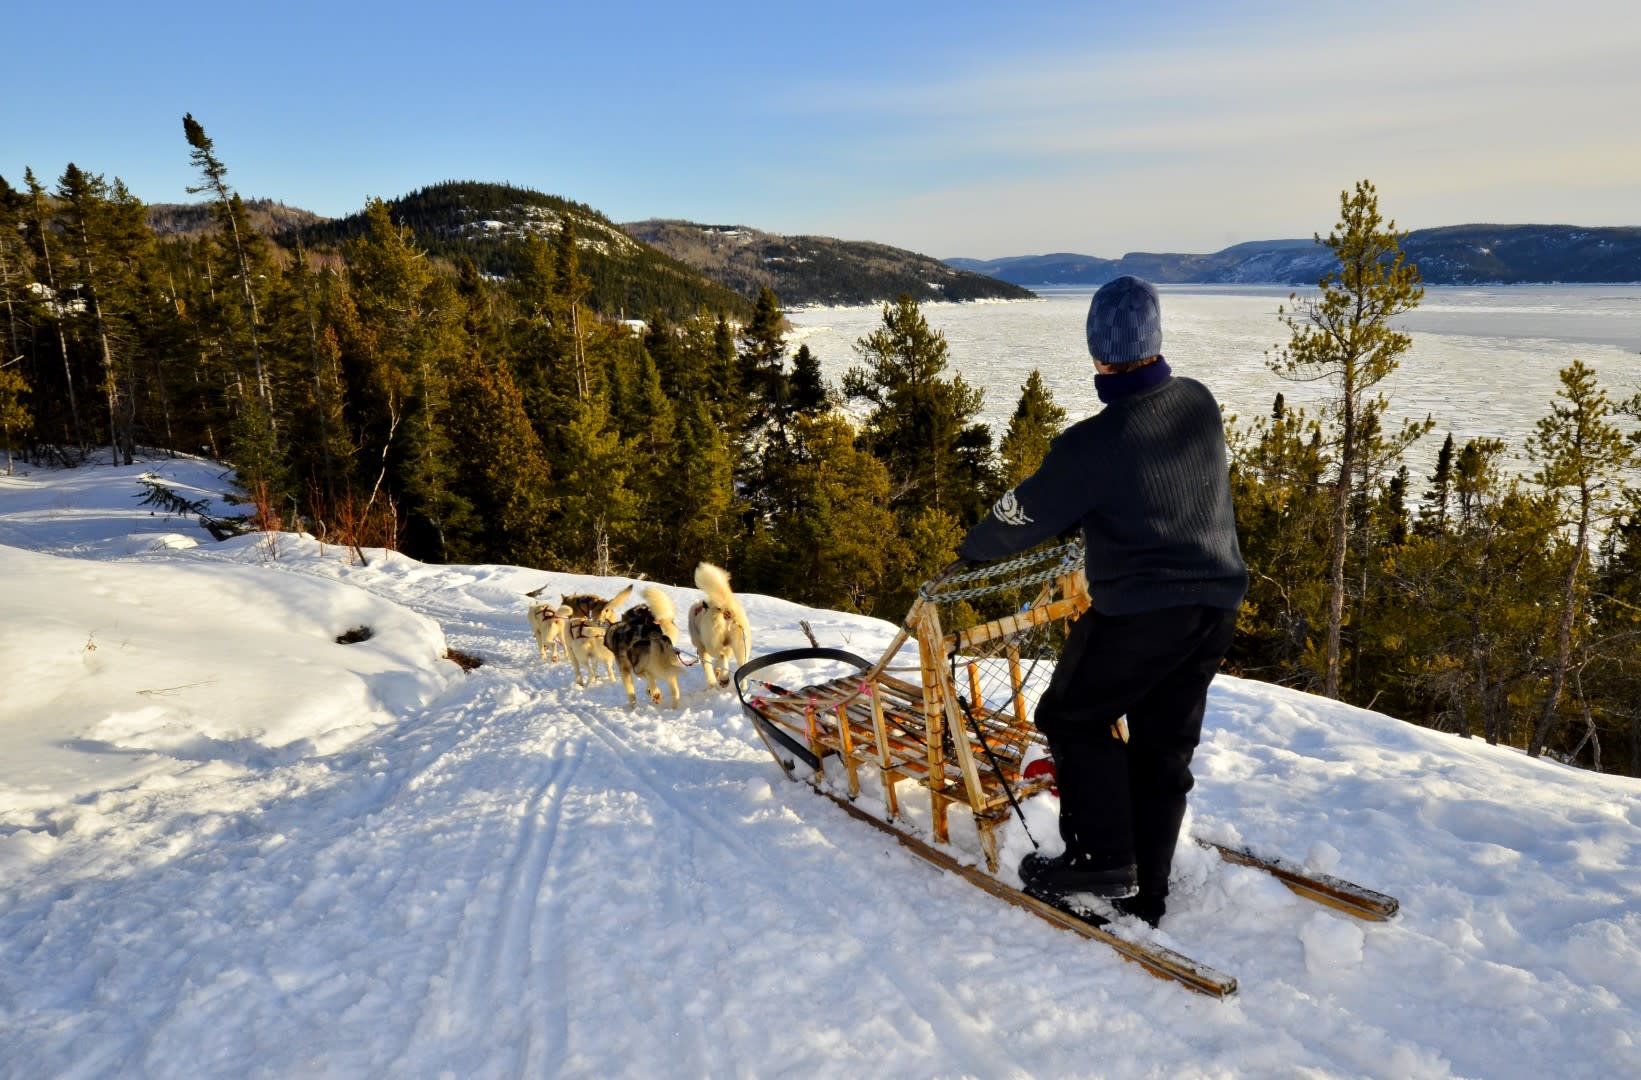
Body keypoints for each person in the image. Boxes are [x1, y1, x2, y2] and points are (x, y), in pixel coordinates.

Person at [954, 275, 1247, 927]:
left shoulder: (1090, 445)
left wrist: (972, 549)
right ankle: (1150, 891)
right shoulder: (1197, 403)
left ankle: (1101, 860)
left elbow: (1022, 513)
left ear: (1096, 351)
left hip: (1142, 616)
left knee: (1070, 717)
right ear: (1156, 339)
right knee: (1162, 749)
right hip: (1214, 609)